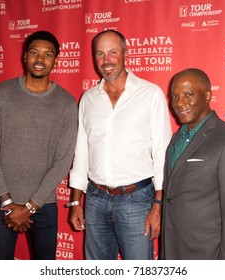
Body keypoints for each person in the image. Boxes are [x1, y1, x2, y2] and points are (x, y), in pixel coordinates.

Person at [67, 30, 172, 260]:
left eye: (113, 52)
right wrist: (76, 200)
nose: (106, 60)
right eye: (100, 54)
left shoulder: (150, 94)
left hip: (137, 201)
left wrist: (158, 205)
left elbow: (163, 155)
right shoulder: (88, 98)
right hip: (95, 200)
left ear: (125, 53)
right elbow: (82, 152)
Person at [0, 30, 78, 260]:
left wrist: (30, 207)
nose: (40, 59)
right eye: (34, 53)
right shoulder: (1, 94)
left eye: (47, 54)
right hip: (2, 205)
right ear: (25, 57)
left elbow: (62, 161)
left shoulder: (66, 103)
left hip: (43, 205)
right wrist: (8, 202)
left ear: (55, 60)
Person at [160, 68, 225, 260]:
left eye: (188, 95)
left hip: (206, 254)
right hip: (172, 249)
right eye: (175, 95)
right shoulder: (177, 138)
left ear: (208, 95)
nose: (179, 103)